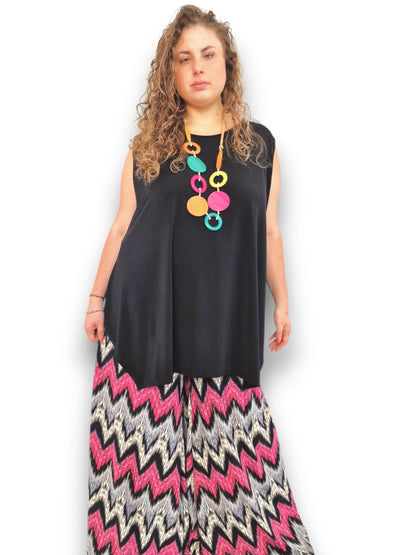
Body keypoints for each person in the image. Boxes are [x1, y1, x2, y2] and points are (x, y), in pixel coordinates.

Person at [84, 5, 315, 554]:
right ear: (170, 73)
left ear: (227, 64)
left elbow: (269, 230)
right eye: (183, 59)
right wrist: (95, 298)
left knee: (242, 462)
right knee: (142, 471)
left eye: (208, 55)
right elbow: (122, 225)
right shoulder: (148, 146)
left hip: (225, 318)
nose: (197, 68)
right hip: (147, 317)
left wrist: (283, 303)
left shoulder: (259, 145)